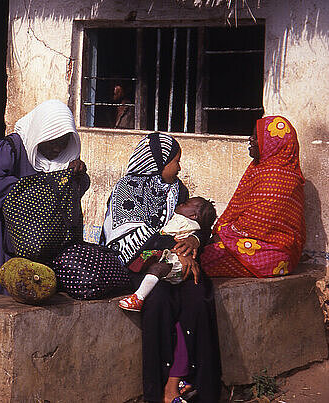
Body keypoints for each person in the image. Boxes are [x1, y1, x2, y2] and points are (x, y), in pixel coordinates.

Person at [101, 132, 220, 403]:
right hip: (139, 263)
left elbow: (198, 223)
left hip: (175, 260)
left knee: (198, 297)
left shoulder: (179, 189)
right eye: (176, 161)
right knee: (158, 302)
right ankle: (159, 391)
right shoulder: (126, 188)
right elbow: (128, 236)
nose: (179, 167)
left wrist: (193, 241)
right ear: (159, 160)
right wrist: (175, 245)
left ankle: (195, 386)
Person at [0, 99, 90, 293]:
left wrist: (76, 178)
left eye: (62, 144)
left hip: (49, 244)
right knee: (13, 288)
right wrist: (42, 187)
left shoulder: (61, 158)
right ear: (39, 134)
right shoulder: (10, 148)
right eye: (52, 143)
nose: (56, 149)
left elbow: (68, 196)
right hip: (10, 243)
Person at [201, 115, 305, 278]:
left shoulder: (277, 177)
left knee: (203, 258)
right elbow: (239, 207)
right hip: (250, 244)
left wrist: (223, 233)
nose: (250, 139)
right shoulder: (260, 169)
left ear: (272, 144)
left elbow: (257, 221)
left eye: (256, 137)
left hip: (272, 254)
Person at [118, 197, 217, 312]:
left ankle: (138, 298)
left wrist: (193, 240)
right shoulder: (186, 221)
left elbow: (162, 236)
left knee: (157, 270)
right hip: (172, 257)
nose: (180, 204)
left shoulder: (182, 221)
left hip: (176, 261)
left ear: (193, 216)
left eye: (185, 203)